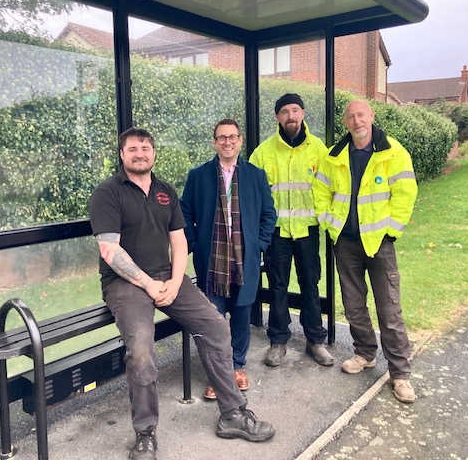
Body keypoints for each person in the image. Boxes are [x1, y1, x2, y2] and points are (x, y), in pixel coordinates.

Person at [88, 127, 275, 460]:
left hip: (167, 278)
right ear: (122, 154)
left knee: (217, 326)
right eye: (132, 149)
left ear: (154, 152)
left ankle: (232, 414)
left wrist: (176, 282)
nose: (140, 153)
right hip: (125, 284)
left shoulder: (165, 191)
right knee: (142, 350)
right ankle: (145, 434)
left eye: (145, 147)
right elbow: (109, 251)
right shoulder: (108, 192)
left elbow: (178, 239)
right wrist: (148, 284)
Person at [313, 99, 418, 403]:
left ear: (371, 116)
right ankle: (365, 354)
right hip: (345, 243)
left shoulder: (393, 152)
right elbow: (320, 190)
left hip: (379, 244)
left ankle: (400, 374)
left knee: (389, 309)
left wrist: (392, 230)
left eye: (361, 115)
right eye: (351, 116)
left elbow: (406, 192)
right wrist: (329, 223)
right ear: (345, 122)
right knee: (354, 304)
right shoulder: (334, 156)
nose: (357, 120)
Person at [180, 119, 276, 400]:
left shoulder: (255, 176)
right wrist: (196, 245)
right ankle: (217, 375)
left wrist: (260, 243)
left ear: (240, 140)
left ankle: (236, 367)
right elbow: (185, 214)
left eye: (232, 137)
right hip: (212, 262)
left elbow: (268, 214)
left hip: (244, 260)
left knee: (241, 315)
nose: (227, 142)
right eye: (221, 138)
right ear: (214, 142)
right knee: (213, 319)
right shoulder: (198, 176)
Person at [249, 93, 334, 368]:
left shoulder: (319, 150)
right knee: (277, 287)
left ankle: (315, 341)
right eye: (284, 111)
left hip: (308, 231)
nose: (290, 116)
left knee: (310, 285)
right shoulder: (263, 152)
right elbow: (252, 193)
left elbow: (330, 187)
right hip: (277, 233)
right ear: (277, 117)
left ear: (303, 113)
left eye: (295, 110)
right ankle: (278, 340)